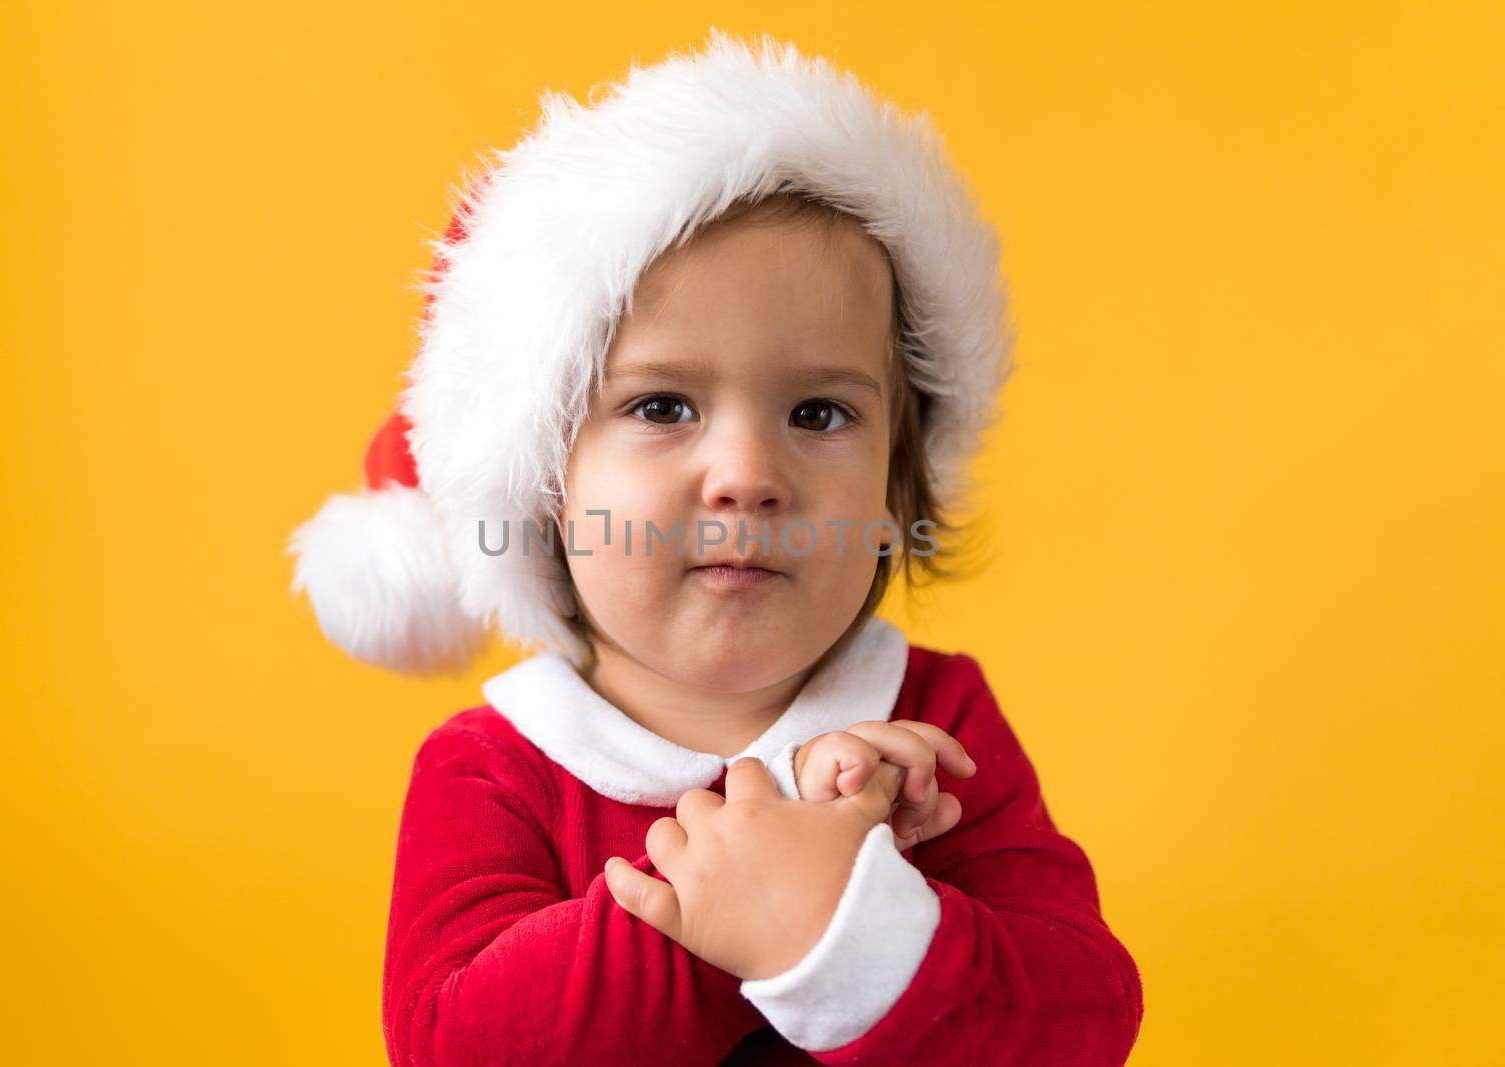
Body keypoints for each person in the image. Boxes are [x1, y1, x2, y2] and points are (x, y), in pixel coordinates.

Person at [288, 30, 1143, 1066]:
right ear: (543, 488)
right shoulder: (495, 768)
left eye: (820, 413)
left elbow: (1085, 1022)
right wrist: (728, 903)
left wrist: (853, 925)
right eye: (661, 403)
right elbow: (452, 1045)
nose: (747, 470)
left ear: (893, 488)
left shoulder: (932, 726)